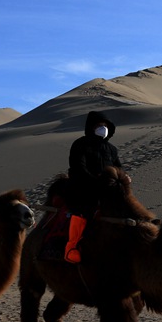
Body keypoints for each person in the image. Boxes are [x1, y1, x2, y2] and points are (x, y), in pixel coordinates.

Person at [64, 110, 127, 263]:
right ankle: (72, 248)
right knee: (82, 213)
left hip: (109, 191)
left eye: (105, 125)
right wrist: (96, 182)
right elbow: (79, 168)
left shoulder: (112, 149)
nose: (103, 128)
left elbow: (119, 168)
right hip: (85, 189)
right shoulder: (80, 144)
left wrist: (124, 178)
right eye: (100, 125)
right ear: (91, 127)